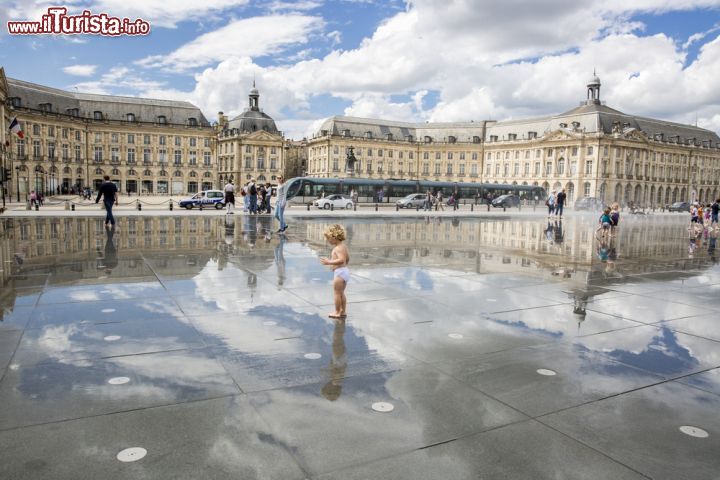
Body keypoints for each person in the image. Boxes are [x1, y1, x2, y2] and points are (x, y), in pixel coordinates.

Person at [320, 224, 349, 320]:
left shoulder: (338, 248)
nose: (328, 241)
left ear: (334, 237)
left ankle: (337, 312)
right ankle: (343, 311)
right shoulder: (343, 246)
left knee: (337, 293)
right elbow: (347, 259)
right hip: (343, 272)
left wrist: (329, 262)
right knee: (341, 293)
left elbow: (341, 260)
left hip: (340, 273)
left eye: (328, 238)